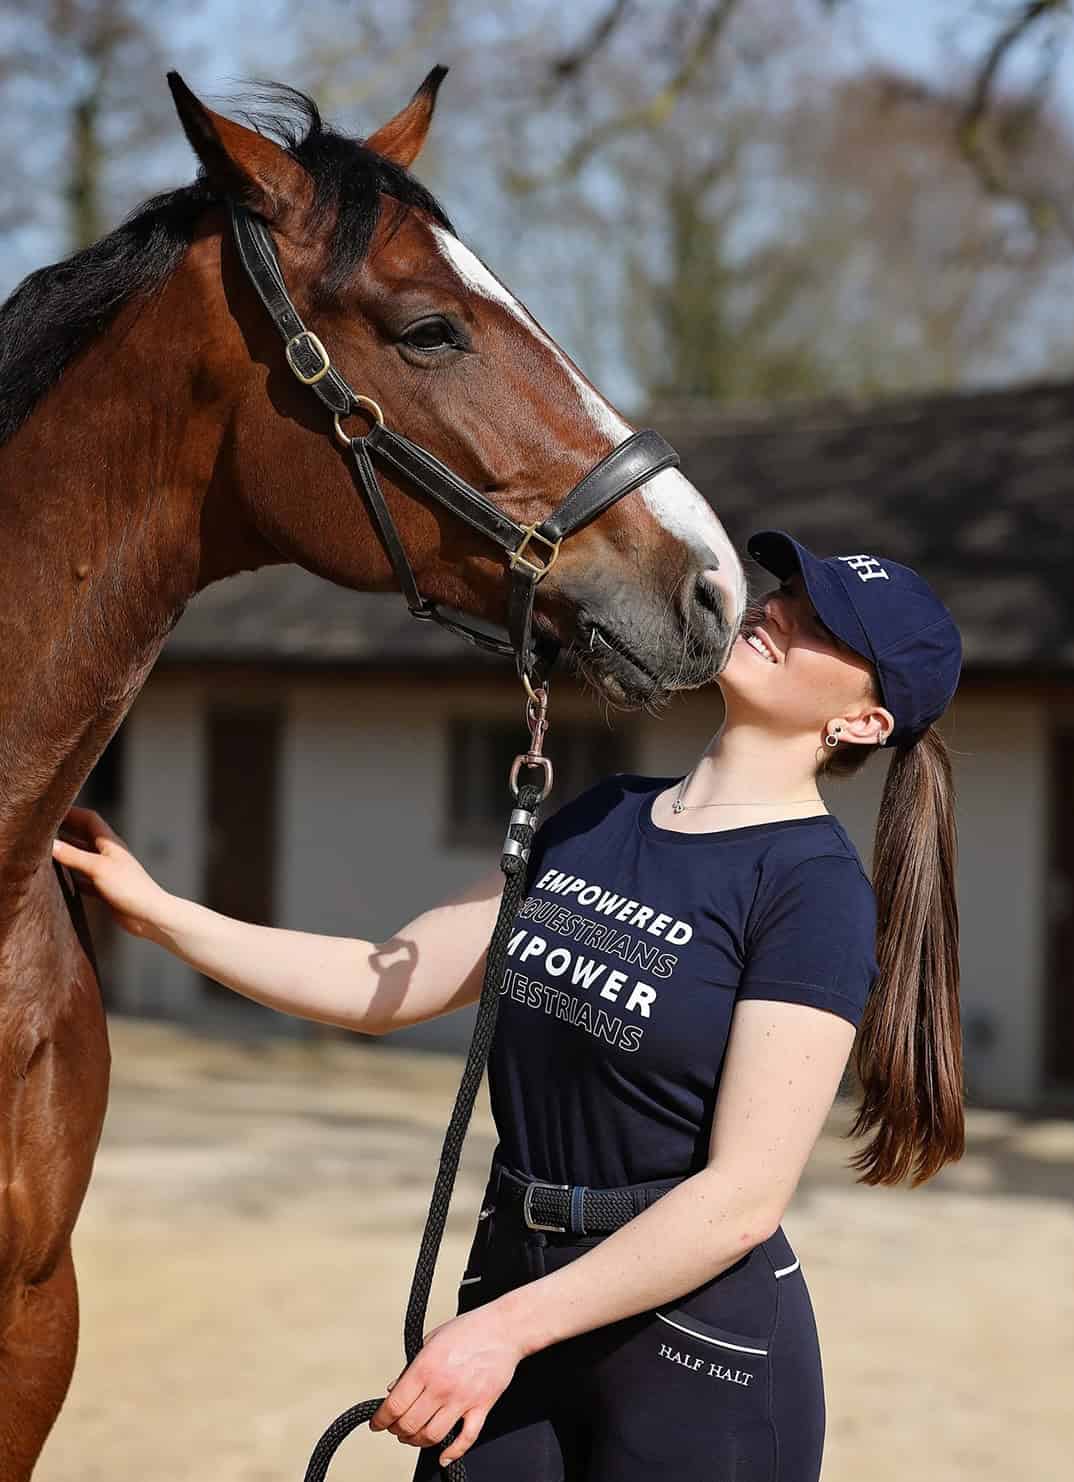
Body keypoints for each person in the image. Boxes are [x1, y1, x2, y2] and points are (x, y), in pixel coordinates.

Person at [53, 529, 965, 1482]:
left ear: (863, 723)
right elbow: (385, 977)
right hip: (514, 1268)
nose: (776, 611)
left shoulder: (812, 889)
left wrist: (499, 1336)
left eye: (823, 626)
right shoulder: (597, 816)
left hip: (693, 1348)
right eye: (787, 593)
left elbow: (740, 1200)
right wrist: (158, 914)